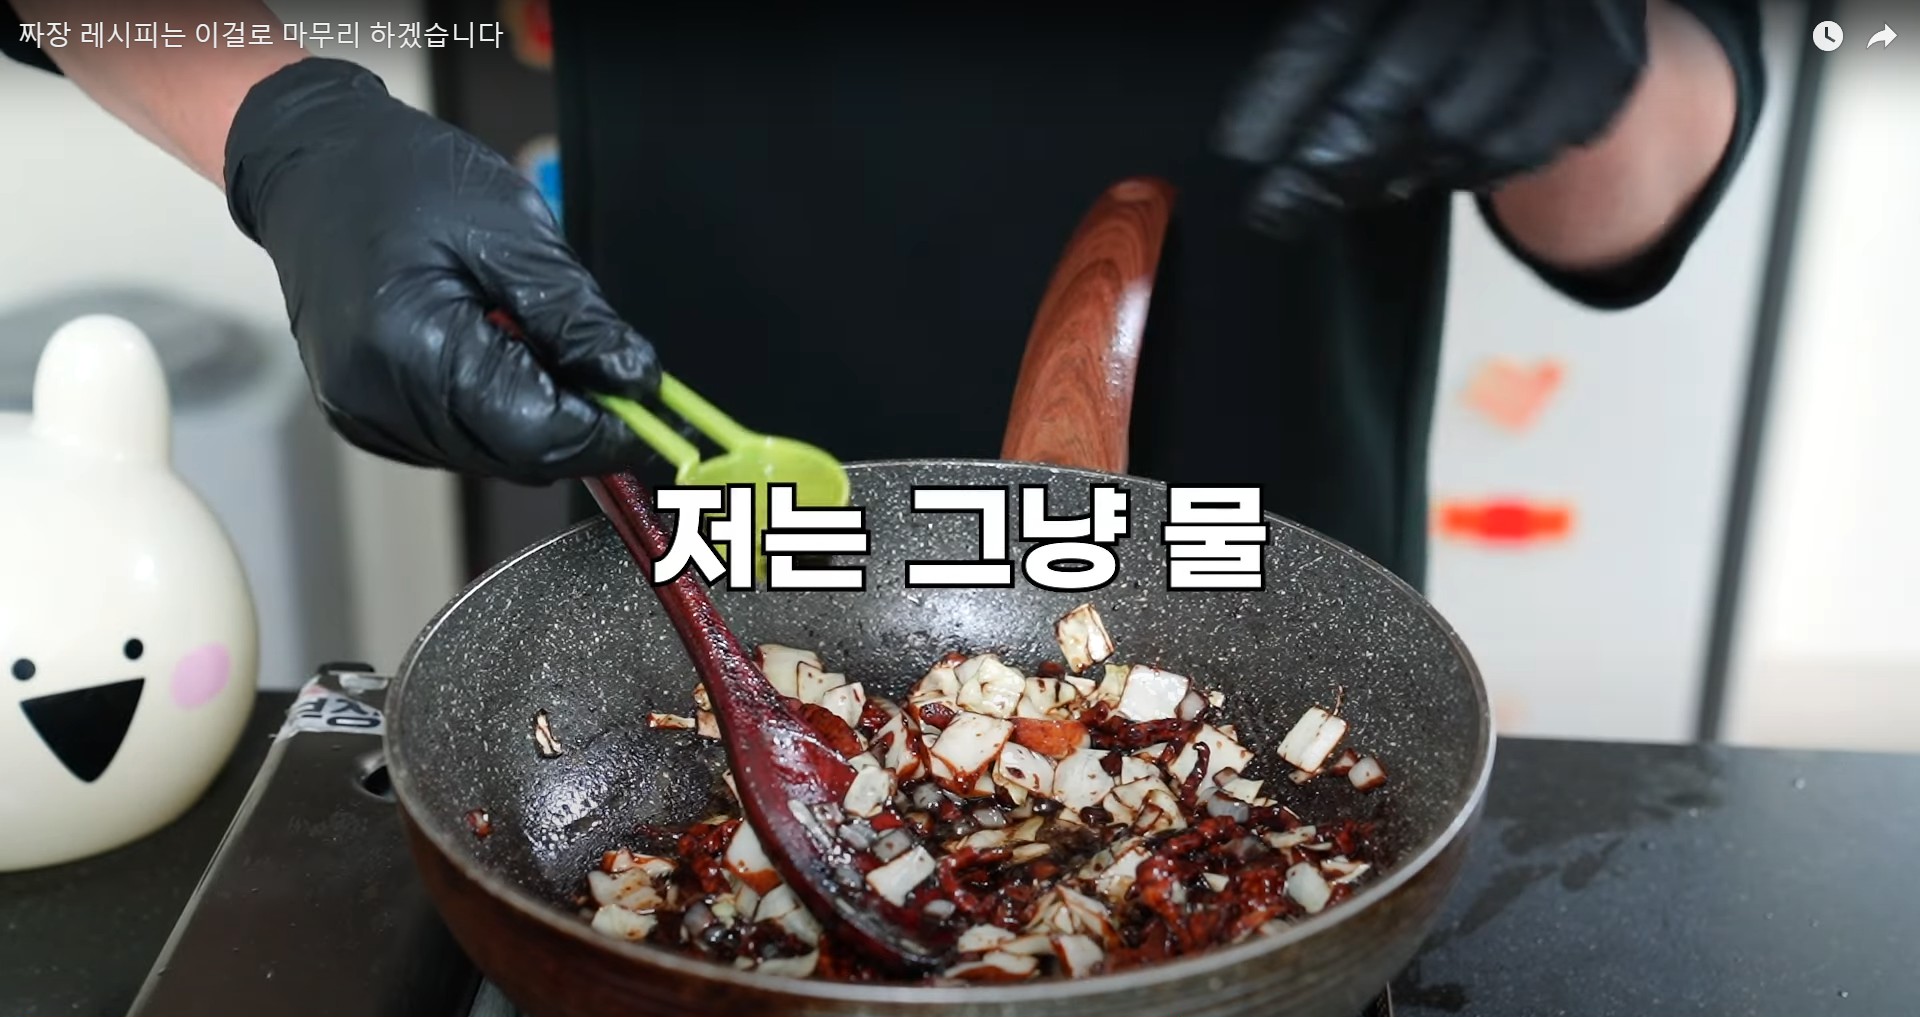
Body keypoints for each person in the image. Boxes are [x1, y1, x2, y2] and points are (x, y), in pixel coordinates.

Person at [1, 1, 1761, 590]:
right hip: (700, 535)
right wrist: (285, 127)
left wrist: (1592, 60)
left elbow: (1641, 180)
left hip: (1264, 552)